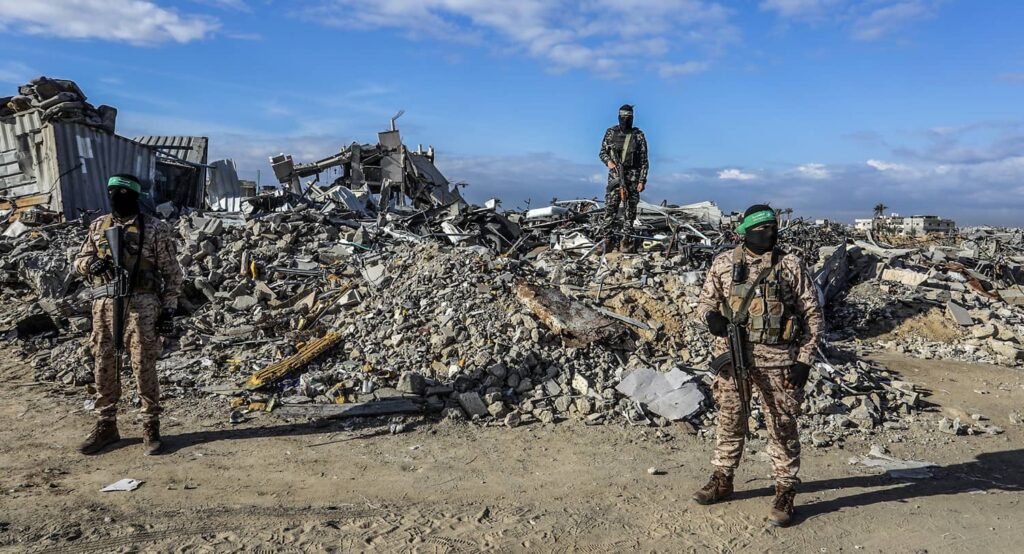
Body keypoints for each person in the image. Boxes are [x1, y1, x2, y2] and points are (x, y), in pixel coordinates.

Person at [692, 204, 823, 527]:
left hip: (779, 360)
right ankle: (722, 479)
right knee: (730, 420)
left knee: (782, 426)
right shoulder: (723, 263)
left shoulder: (789, 265)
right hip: (734, 358)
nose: (769, 233)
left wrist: (804, 361)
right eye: (762, 228)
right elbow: (704, 303)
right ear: (745, 232)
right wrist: (712, 318)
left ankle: (785, 490)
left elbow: (813, 316)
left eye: (773, 227)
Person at [74, 174, 184, 455]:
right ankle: (106, 424)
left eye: (123, 193)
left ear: (135, 197)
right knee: (103, 362)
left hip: (142, 306)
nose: (116, 198)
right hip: (105, 304)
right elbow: (79, 260)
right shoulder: (99, 226)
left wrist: (168, 310)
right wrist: (92, 264)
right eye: (112, 192)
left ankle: (150, 425)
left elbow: (172, 274)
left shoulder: (155, 228)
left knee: (142, 363)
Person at [598, 104, 648, 252]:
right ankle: (607, 240)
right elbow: (602, 152)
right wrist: (609, 162)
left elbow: (644, 160)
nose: (625, 120)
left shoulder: (638, 135)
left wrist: (642, 180)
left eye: (628, 117)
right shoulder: (611, 133)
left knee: (630, 212)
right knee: (610, 209)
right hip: (615, 177)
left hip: (632, 178)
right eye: (623, 117)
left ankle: (626, 240)